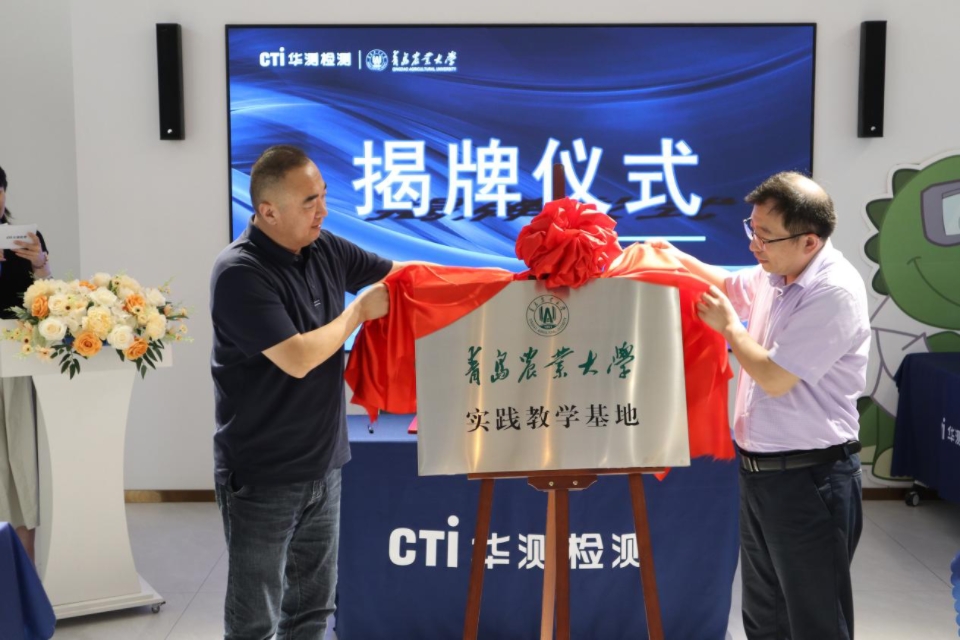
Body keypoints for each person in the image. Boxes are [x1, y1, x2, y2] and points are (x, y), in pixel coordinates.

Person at [648, 171, 870, 640]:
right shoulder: (779, 272)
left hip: (811, 478)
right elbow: (729, 286)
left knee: (814, 619)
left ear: (809, 241)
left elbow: (774, 377)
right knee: (765, 613)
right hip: (761, 473)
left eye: (765, 236)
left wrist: (731, 328)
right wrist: (674, 256)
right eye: (752, 229)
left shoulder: (832, 291)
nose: (754, 244)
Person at [210, 145, 403, 639]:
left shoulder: (325, 248)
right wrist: (356, 313)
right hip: (264, 475)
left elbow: (400, 278)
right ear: (268, 210)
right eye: (309, 201)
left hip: (323, 464)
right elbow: (297, 357)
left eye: (323, 196)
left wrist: (507, 282)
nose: (323, 210)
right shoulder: (239, 272)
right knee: (255, 621)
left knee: (313, 612)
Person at [0, 165, 51, 564]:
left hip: (17, 358)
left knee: (21, 459)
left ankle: (25, 567)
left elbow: (46, 302)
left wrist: (40, 265)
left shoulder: (26, 239)